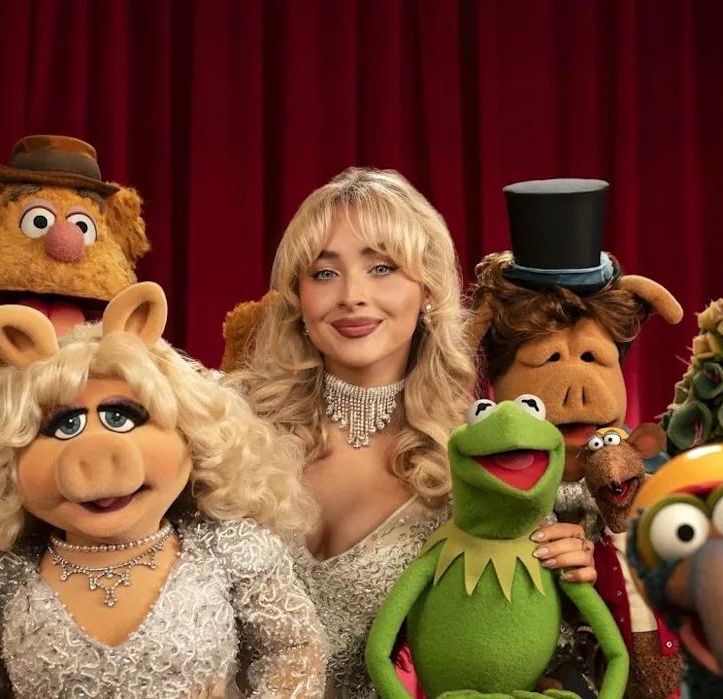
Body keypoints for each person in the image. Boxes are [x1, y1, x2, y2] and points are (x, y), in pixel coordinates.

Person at [227, 168, 597, 697]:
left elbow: (523, 650)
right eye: (324, 273)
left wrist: (563, 566)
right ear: (297, 298)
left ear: (427, 290)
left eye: (382, 267)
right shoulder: (230, 425)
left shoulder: (477, 456)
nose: (352, 295)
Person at [0, 282, 326, 698]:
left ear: (193, 432)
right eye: (63, 425)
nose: (95, 454)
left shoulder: (232, 550)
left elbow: (293, 650)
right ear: (7, 458)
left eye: (121, 417)